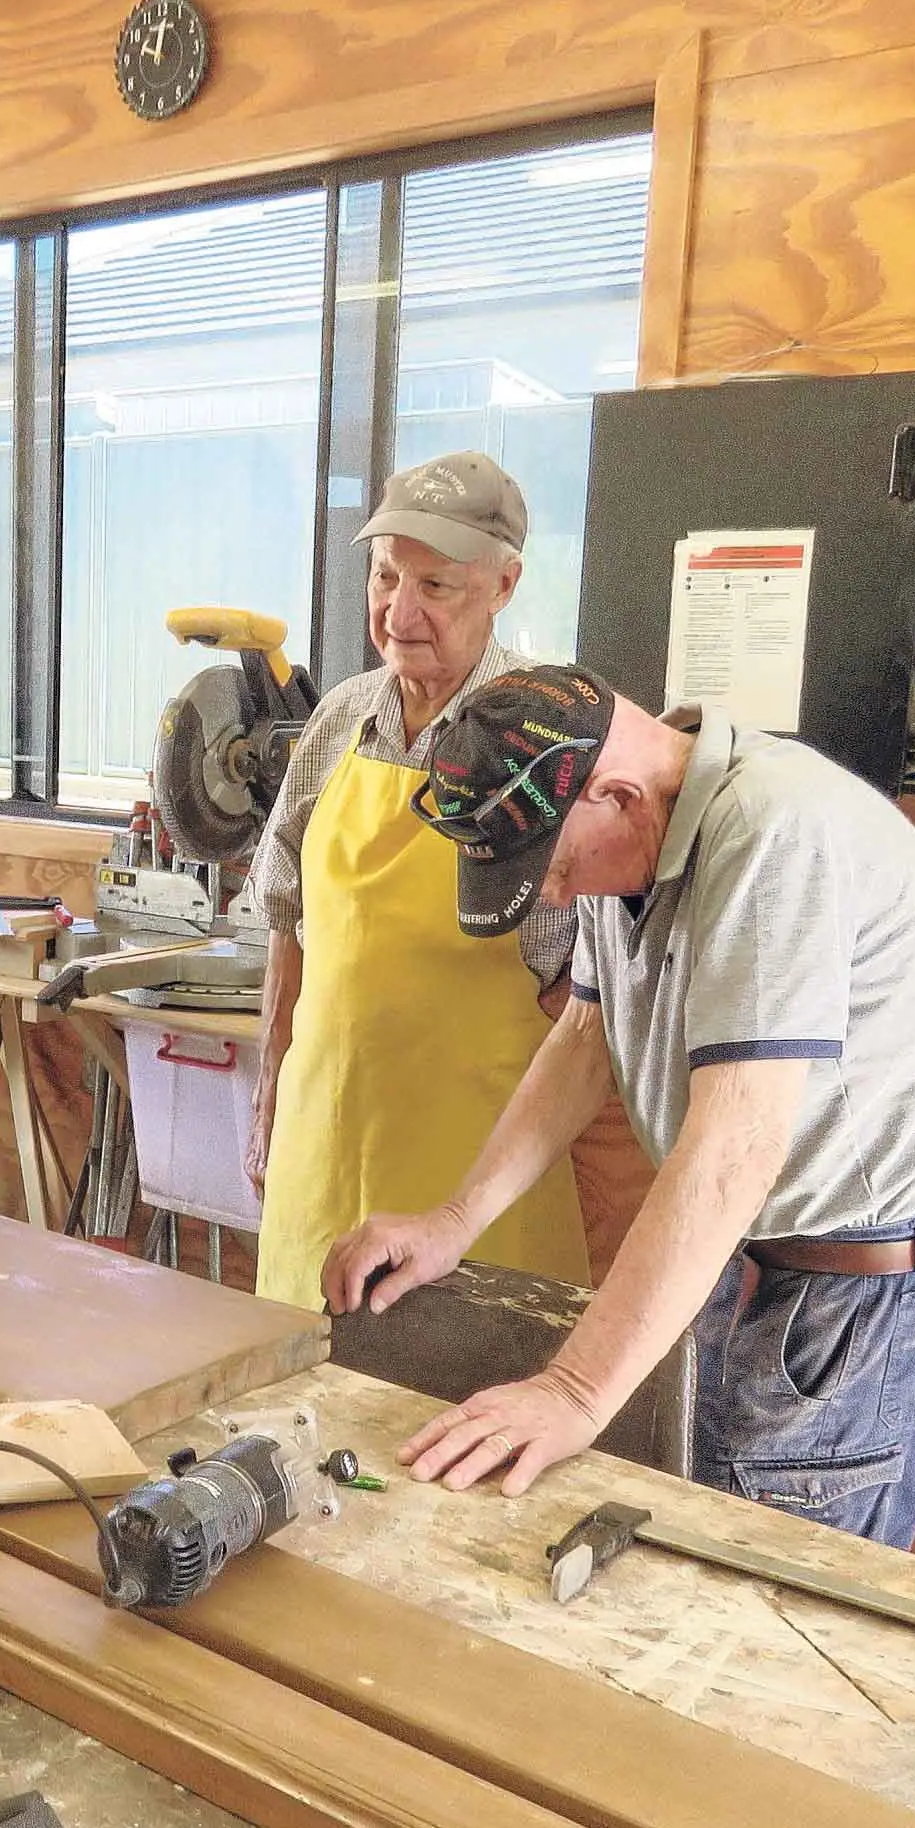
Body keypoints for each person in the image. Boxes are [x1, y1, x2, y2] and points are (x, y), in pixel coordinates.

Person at [321, 670, 915, 1548]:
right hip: (750, 1248)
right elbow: (581, 1039)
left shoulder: (772, 833)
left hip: (850, 1293)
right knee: (696, 1537)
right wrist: (454, 1220)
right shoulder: (640, 834)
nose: (558, 894)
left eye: (558, 867)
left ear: (616, 795)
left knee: (777, 1597)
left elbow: (734, 1149)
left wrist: (571, 1390)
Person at [246, 450, 592, 1311]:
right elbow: (286, 916)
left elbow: (579, 1002)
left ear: (504, 584)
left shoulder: (538, 738)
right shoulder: (339, 719)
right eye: (384, 576)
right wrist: (267, 1091)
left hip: (469, 1188)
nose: (399, 612)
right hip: (320, 1156)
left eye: (435, 587)